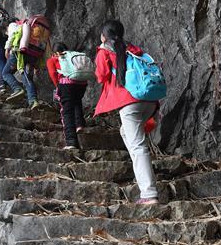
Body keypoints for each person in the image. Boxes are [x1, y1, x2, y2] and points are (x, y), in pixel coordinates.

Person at [95, 19, 160, 205]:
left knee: (138, 146)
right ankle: (141, 174)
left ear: (104, 36)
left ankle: (148, 194)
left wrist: (102, 51)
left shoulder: (105, 51)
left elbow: (101, 76)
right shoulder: (133, 48)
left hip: (129, 102)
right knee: (127, 133)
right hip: (149, 101)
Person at [47, 42, 92, 149]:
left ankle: (71, 141)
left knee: (67, 111)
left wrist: (58, 86)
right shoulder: (73, 55)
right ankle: (80, 124)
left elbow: (53, 74)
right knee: (76, 102)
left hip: (66, 84)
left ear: (54, 52)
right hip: (82, 83)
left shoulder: (53, 59)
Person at [3, 14, 51, 110]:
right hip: (34, 54)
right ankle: (33, 101)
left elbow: (12, 35)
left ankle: (17, 89)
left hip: (21, 52)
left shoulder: (13, 25)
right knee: (27, 78)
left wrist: (7, 48)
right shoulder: (35, 28)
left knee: (6, 73)